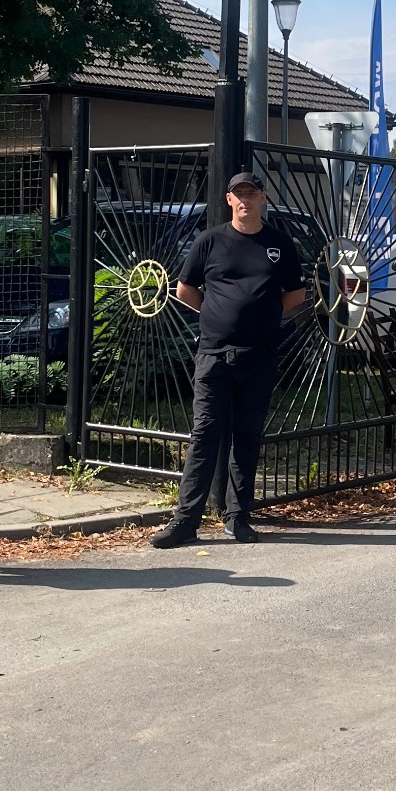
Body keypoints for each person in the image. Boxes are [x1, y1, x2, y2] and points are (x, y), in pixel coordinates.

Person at [151, 171, 305, 547]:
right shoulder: (210, 240)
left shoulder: (279, 244)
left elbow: (296, 294)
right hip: (214, 355)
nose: (246, 200)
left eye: (252, 194)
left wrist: (262, 316)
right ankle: (185, 521)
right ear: (229, 200)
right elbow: (185, 289)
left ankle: (238, 518)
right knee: (204, 435)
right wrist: (215, 313)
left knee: (246, 437)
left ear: (263, 198)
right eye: (239, 194)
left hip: (259, 355)